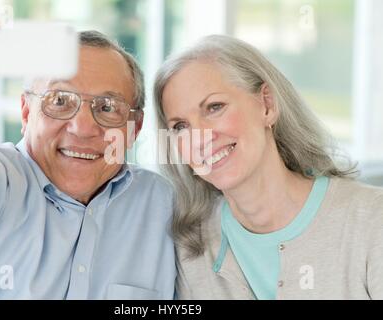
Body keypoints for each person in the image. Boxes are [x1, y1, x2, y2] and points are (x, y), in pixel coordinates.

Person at [0, 0, 175, 299]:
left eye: (108, 107)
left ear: (134, 129)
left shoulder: (164, 206)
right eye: (60, 101)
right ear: (26, 112)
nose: (83, 128)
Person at [153, 34, 383, 299]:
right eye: (180, 127)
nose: (200, 137)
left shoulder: (371, 220)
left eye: (215, 107)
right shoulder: (191, 250)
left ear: (267, 104)